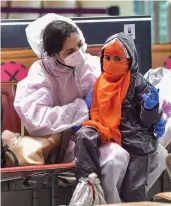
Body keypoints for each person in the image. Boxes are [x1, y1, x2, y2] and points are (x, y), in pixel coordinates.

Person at [14, 14, 167, 203]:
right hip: (73, 141)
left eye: (78, 45)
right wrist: (82, 108)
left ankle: (129, 201)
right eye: (69, 51)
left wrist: (151, 114)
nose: (77, 52)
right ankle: (108, 203)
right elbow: (36, 119)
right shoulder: (41, 75)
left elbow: (129, 89)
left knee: (157, 154)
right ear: (53, 54)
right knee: (115, 157)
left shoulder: (94, 64)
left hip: (117, 132)